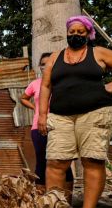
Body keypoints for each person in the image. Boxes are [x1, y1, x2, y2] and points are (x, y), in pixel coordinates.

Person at [38, 16, 112, 208]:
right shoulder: (55, 57)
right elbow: (45, 86)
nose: (75, 34)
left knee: (92, 160)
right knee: (55, 162)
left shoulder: (99, 52)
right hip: (61, 116)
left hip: (95, 113)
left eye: (81, 31)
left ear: (88, 33)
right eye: (72, 30)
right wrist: (42, 115)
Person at [20, 52, 75, 198]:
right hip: (39, 127)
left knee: (63, 161)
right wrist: (34, 108)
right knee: (41, 161)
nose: (46, 66)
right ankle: (42, 201)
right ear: (40, 67)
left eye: (49, 63)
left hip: (61, 125)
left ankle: (66, 201)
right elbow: (23, 98)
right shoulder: (35, 84)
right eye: (43, 64)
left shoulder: (63, 82)